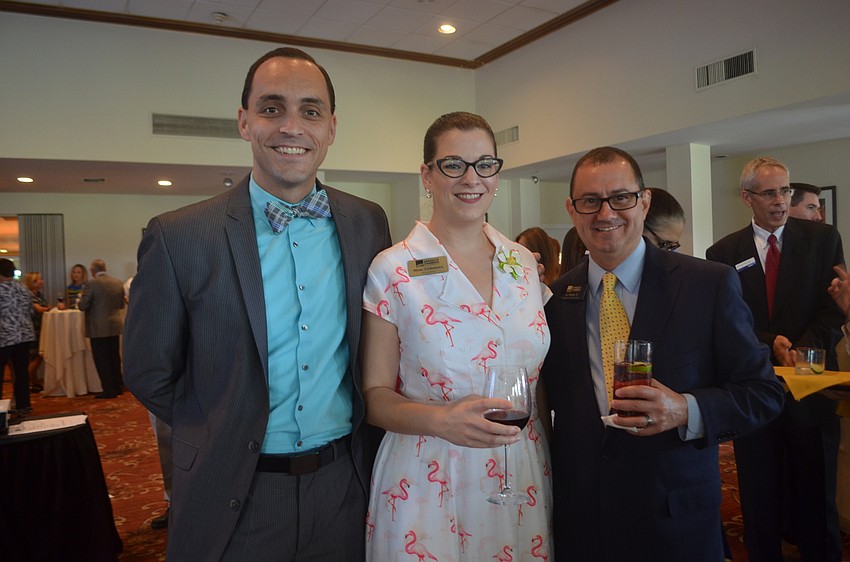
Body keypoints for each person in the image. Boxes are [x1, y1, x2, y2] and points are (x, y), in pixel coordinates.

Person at [123, 47, 391, 561]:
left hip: (346, 484)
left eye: (310, 111)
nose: (292, 126)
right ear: (244, 122)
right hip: (234, 489)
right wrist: (215, 423)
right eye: (272, 108)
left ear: (331, 127)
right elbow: (147, 371)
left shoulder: (367, 222)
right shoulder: (180, 235)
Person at [541, 146, 784, 562]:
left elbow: (763, 392)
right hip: (583, 521)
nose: (606, 213)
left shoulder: (708, 285)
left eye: (621, 197)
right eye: (590, 201)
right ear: (572, 209)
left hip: (675, 520)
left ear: (645, 200)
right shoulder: (555, 299)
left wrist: (685, 409)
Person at [361, 111, 552, 561]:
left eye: (485, 164)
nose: (472, 178)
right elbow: (373, 395)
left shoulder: (522, 263)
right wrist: (444, 420)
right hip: (429, 470)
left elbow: (536, 383)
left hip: (519, 465)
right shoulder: (394, 268)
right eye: (453, 165)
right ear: (427, 174)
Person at [706, 156, 845, 562]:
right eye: (770, 193)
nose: (781, 201)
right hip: (754, 385)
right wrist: (770, 342)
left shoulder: (822, 239)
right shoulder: (723, 252)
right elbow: (728, 319)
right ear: (748, 197)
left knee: (817, 489)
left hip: (811, 381)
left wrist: (805, 346)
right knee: (759, 490)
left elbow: (834, 307)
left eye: (785, 191)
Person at [78, 259, 126, 399]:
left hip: (98, 326)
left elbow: (83, 306)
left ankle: (108, 389)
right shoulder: (117, 282)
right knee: (114, 357)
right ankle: (118, 386)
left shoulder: (92, 284)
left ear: (93, 271)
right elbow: (121, 305)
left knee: (102, 359)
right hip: (114, 324)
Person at [0, 259, 36, 416]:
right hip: (24, 335)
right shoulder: (23, 288)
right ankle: (24, 405)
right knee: (21, 372)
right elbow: (30, 310)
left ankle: (1, 407)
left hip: (5, 336)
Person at [22, 272, 50, 392]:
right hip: (33, 329)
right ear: (32, 282)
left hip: (40, 328)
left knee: (34, 357)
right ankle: (23, 381)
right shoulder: (29, 295)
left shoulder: (39, 294)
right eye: (38, 280)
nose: (41, 281)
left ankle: (34, 383)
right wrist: (48, 308)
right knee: (38, 356)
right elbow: (38, 309)